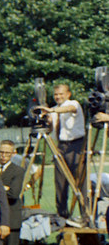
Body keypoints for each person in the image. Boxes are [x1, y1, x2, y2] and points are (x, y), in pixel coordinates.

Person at [40, 82, 87, 218]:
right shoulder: (53, 109)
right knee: (60, 182)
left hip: (76, 145)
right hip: (60, 146)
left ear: (68, 94)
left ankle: (85, 215)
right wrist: (46, 120)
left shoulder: (73, 103)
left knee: (79, 181)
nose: (58, 97)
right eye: (56, 94)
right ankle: (62, 216)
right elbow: (51, 129)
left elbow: (70, 109)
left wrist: (52, 111)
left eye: (61, 94)